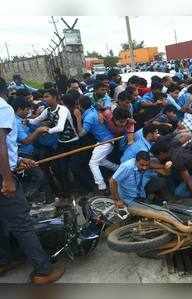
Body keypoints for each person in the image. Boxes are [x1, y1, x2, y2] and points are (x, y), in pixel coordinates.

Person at [0, 77, 64, 284]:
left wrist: (16, 160)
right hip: (3, 177)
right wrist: (8, 178)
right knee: (22, 223)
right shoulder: (3, 108)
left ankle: (4, 260)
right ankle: (43, 272)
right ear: (6, 91)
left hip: (7, 168)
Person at [78, 95, 119, 194]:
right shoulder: (93, 110)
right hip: (107, 140)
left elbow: (81, 134)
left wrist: (78, 119)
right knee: (101, 161)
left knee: (93, 163)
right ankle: (119, 168)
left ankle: (102, 187)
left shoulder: (88, 117)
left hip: (105, 142)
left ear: (80, 106)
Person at [150, 141, 192, 206]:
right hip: (191, 170)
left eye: (157, 156)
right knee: (167, 176)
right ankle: (178, 197)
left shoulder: (177, 159)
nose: (157, 158)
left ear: (161, 153)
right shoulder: (172, 148)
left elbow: (189, 181)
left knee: (179, 192)